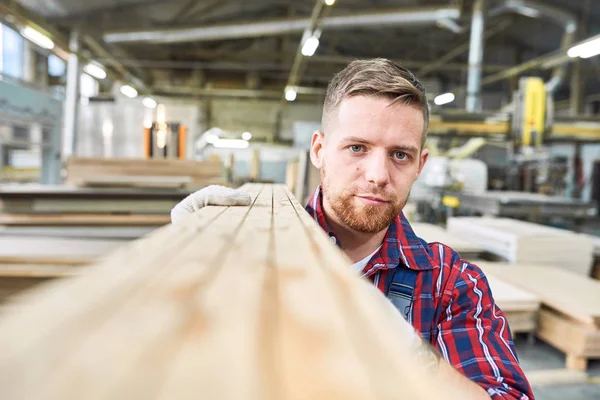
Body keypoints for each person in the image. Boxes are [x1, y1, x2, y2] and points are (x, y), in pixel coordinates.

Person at [171, 58, 534, 399]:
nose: (378, 175)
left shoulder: (449, 284)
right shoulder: (257, 249)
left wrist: (404, 349)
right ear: (319, 150)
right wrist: (191, 261)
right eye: (357, 148)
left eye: (400, 155)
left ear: (420, 164)